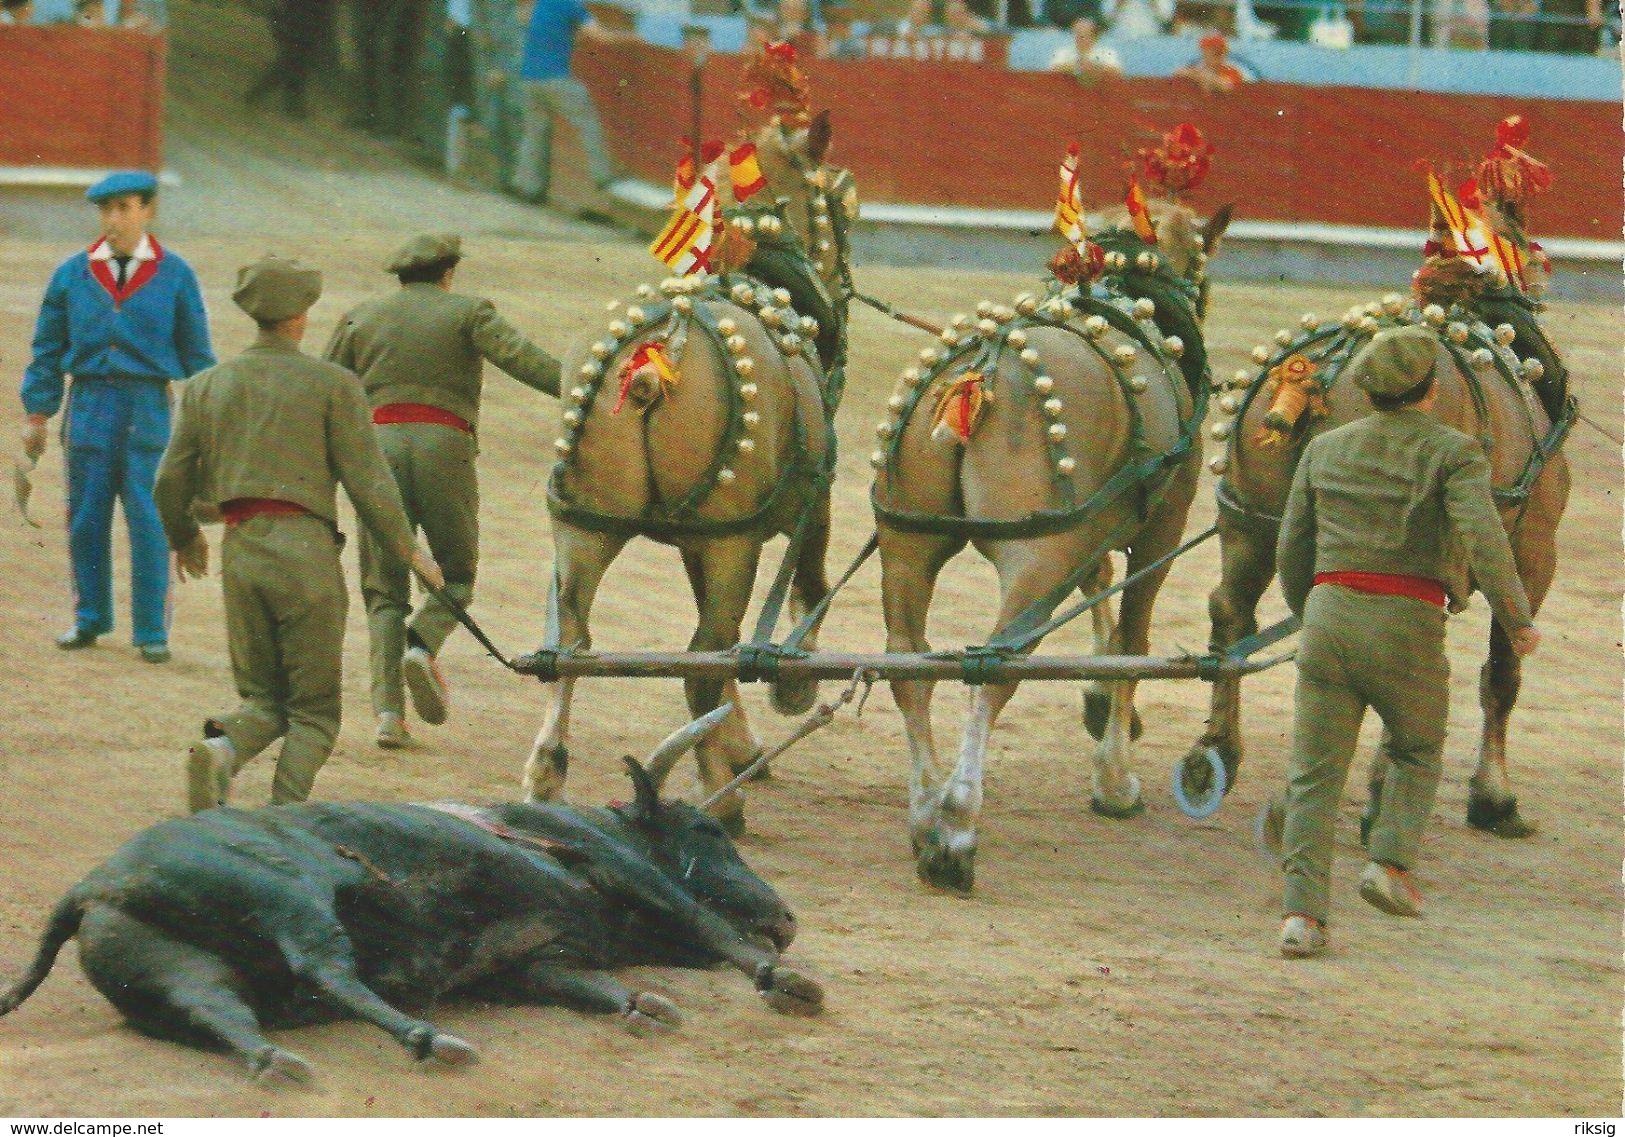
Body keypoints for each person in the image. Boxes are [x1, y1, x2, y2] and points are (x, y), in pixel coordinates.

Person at [1270, 326, 1539, 959]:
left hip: (1330, 616)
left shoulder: (1324, 449)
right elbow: (1485, 539)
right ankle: (1388, 864)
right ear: (1431, 388)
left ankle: (1302, 919)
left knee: (1312, 778)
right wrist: (1516, 617)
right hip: (1408, 625)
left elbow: (1291, 549)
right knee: (1417, 749)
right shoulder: (1454, 451)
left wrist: (1309, 611)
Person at [155, 256, 444, 813]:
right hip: (306, 555)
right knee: (314, 714)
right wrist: (411, 552)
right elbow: (368, 482)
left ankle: (222, 748)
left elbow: (170, 479)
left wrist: (184, 534)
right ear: (302, 316)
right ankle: (282, 816)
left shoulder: (204, 386)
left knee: (263, 700)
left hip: (241, 552)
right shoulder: (333, 384)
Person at [323, 234, 561, 749]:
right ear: (449, 272)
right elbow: (524, 359)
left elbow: (328, 388)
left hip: (376, 449)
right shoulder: (468, 312)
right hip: (445, 447)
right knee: (455, 574)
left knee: (384, 589)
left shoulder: (360, 317)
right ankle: (422, 642)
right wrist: (586, 384)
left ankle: (389, 715)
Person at [19, 171, 214, 664]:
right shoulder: (71, 272)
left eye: (124, 208)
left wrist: (214, 419)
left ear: (148, 211)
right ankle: (90, 618)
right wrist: (38, 413)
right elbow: (47, 348)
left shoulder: (175, 274)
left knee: (150, 519)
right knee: (86, 517)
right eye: (106, 210)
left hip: (148, 406)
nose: (113, 220)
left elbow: (198, 355)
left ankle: (152, 630)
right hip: (87, 404)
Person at [507, 0, 629, 203]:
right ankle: (603, 176)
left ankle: (526, 186)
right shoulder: (571, 5)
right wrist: (632, 37)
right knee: (588, 123)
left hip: (529, 77)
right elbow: (600, 37)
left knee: (534, 132)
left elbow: (528, 21)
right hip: (555, 77)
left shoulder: (541, 3)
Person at [245, 0, 334, 118]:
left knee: (293, 61)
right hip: (299, 20)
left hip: (302, 19)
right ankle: (290, 104)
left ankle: (264, 95)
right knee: (294, 62)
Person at [1046, 15, 1123, 82]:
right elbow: (1051, 71)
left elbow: (1118, 73)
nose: (1079, 38)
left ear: (1093, 36)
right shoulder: (1063, 52)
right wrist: (1077, 67)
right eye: (1077, 34)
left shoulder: (1107, 53)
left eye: (1084, 35)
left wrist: (1094, 67)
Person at [1173, 33, 1250, 92]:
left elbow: (1225, 86)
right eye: (1213, 50)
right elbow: (1177, 74)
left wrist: (1199, 77)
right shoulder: (1195, 68)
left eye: (1221, 50)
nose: (1218, 53)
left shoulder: (1232, 70)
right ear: (1203, 52)